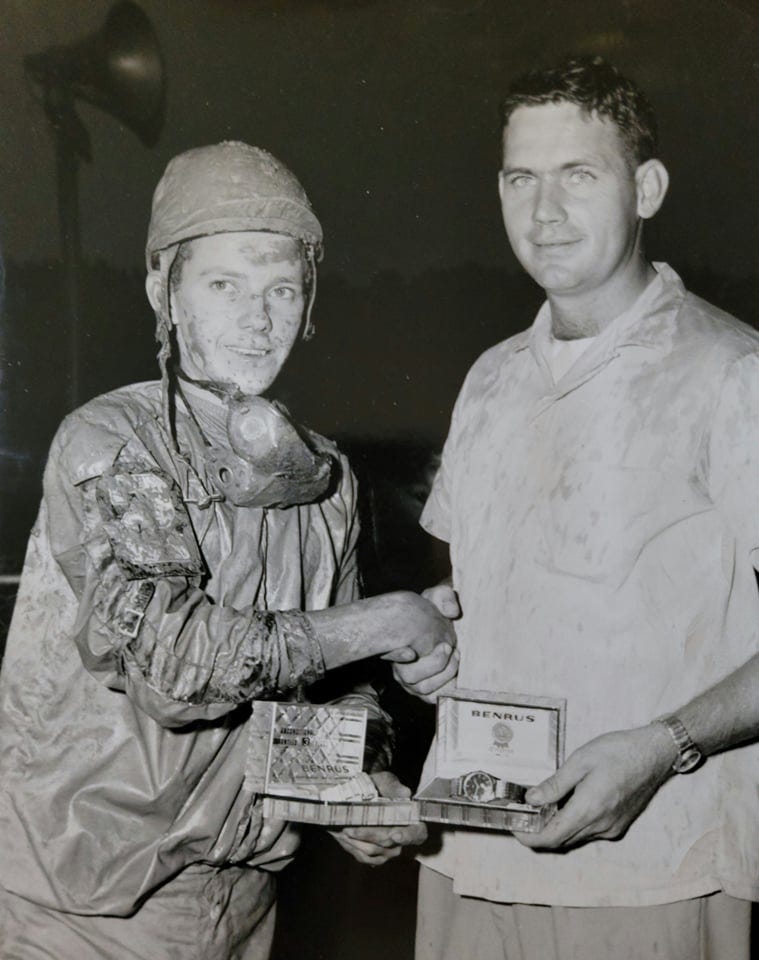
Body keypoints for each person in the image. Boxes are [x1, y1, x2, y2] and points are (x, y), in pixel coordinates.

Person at [0, 141, 457, 959]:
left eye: (282, 288)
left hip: (242, 898)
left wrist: (353, 789)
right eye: (224, 285)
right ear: (163, 292)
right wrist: (388, 619)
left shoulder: (323, 477)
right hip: (87, 907)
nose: (258, 318)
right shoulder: (112, 442)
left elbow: (328, 693)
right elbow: (174, 666)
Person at [397, 56, 759, 960]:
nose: (543, 212)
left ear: (646, 187)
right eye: (521, 178)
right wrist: (434, 648)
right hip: (468, 848)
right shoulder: (488, 380)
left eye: (577, 176)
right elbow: (469, 599)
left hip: (646, 863)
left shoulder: (729, 373)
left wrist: (663, 745)